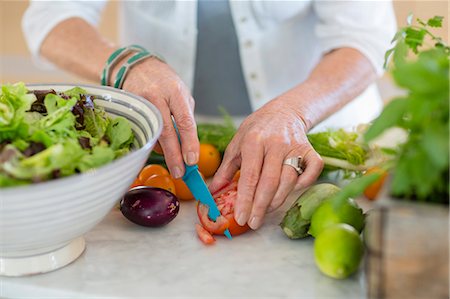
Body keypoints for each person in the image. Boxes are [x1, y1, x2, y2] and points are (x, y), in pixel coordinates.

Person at [22, 0, 396, 230]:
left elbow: (365, 40)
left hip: (319, 133)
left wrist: (294, 112)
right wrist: (126, 65)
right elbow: (51, 17)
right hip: (169, 143)